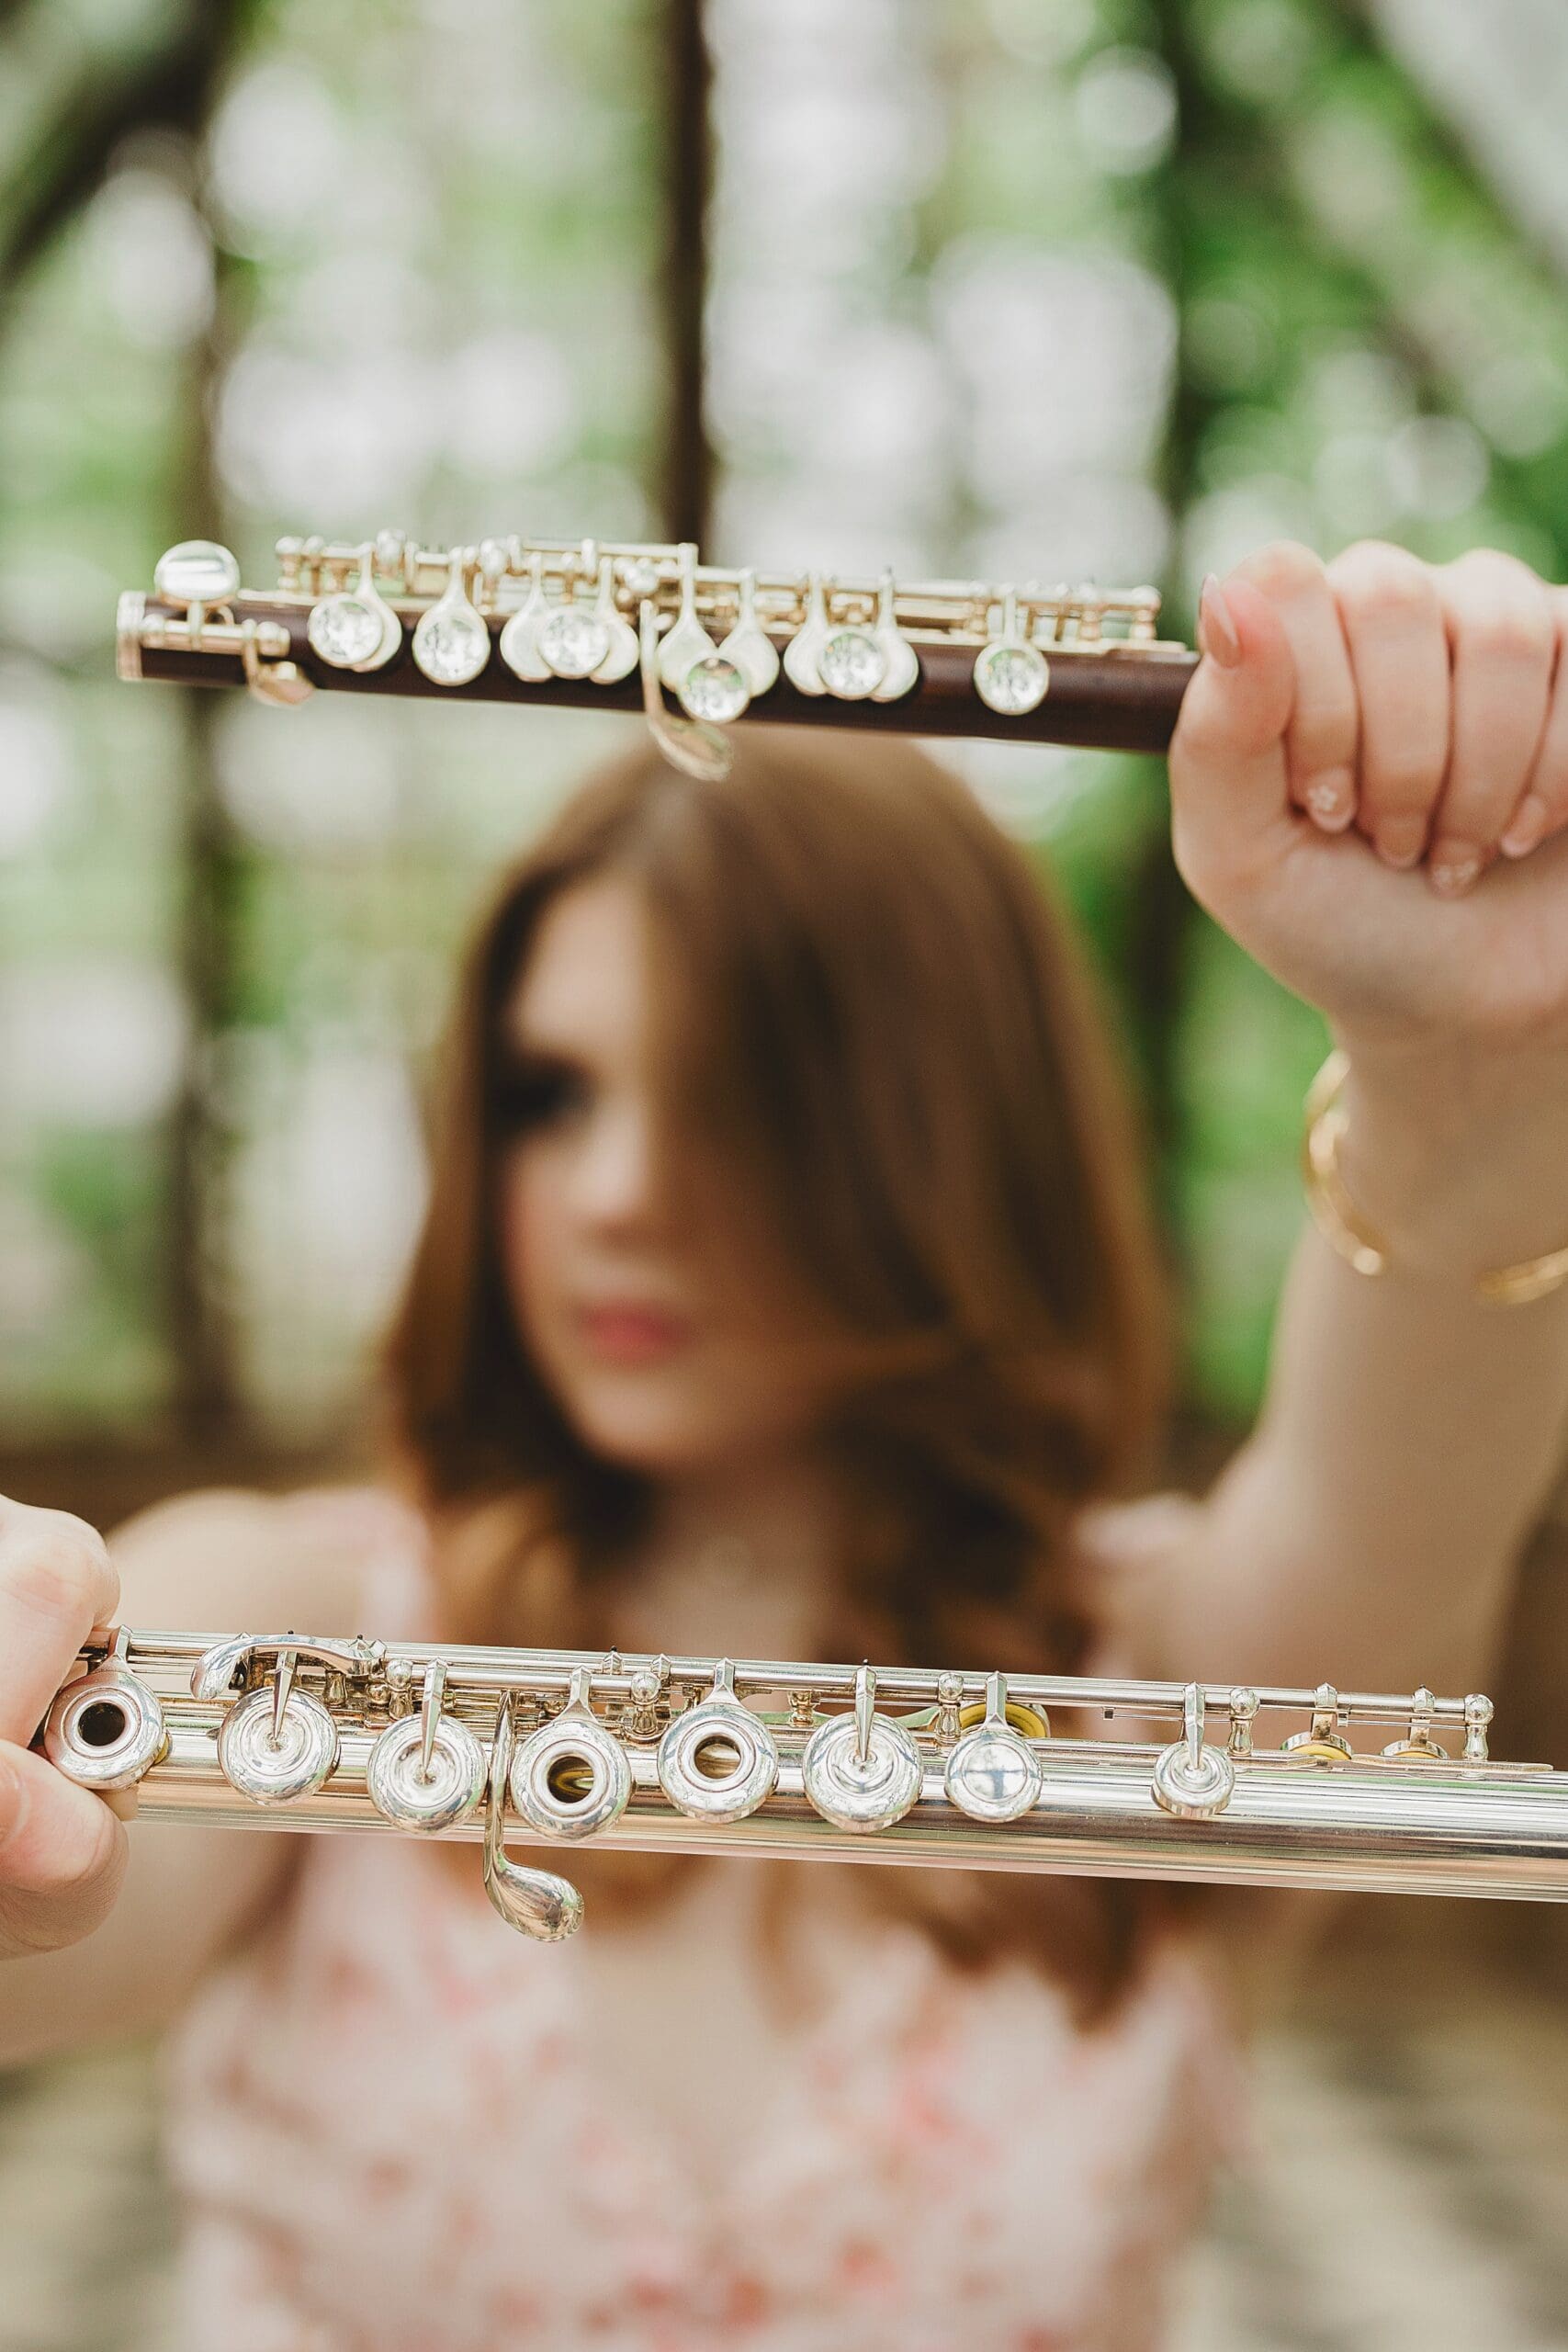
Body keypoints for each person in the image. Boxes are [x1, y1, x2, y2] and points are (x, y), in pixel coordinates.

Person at [5, 537, 1568, 2352]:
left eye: (732, 1096)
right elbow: (55, 1919)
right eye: (548, 1092)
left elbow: (1409, 1448)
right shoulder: (294, 1606)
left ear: (935, 1138)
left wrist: (1470, 1055)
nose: (616, 1191)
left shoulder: (1163, 1673)